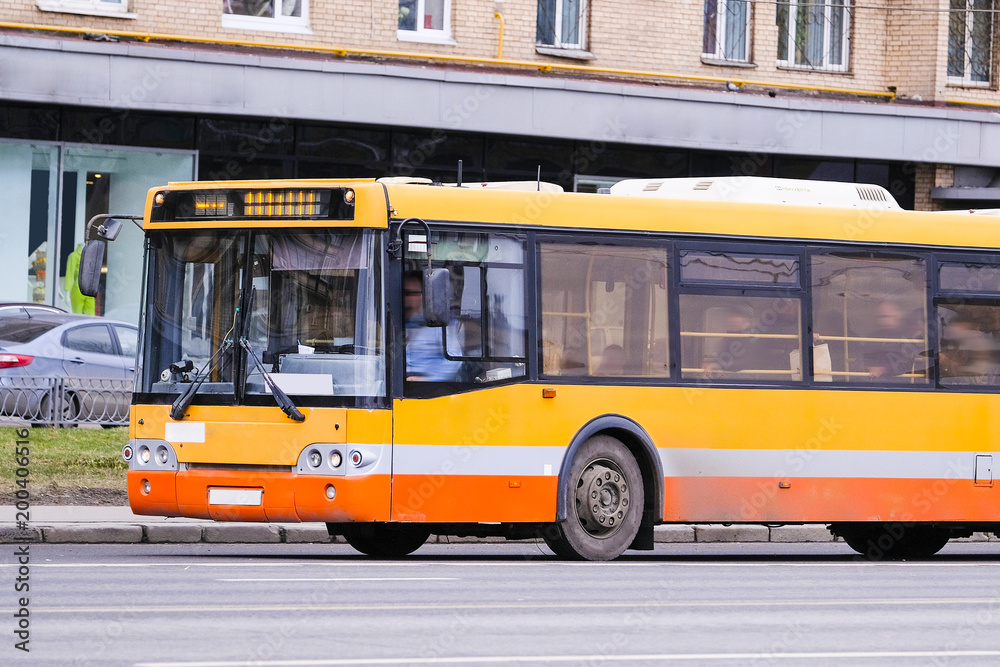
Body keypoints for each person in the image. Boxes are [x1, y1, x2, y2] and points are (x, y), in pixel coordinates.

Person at [404, 274, 463, 382]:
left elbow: (454, 360)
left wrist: (425, 379)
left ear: (424, 296)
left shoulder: (440, 324)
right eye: (404, 293)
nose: (405, 298)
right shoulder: (400, 323)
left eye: (410, 293)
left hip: (428, 390)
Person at [864, 300, 922, 379]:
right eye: (879, 317)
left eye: (885, 316)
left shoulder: (908, 336)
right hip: (872, 381)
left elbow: (907, 362)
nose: (881, 320)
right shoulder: (874, 336)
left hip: (898, 383)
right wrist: (869, 367)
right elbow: (863, 355)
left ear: (897, 316)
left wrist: (883, 369)